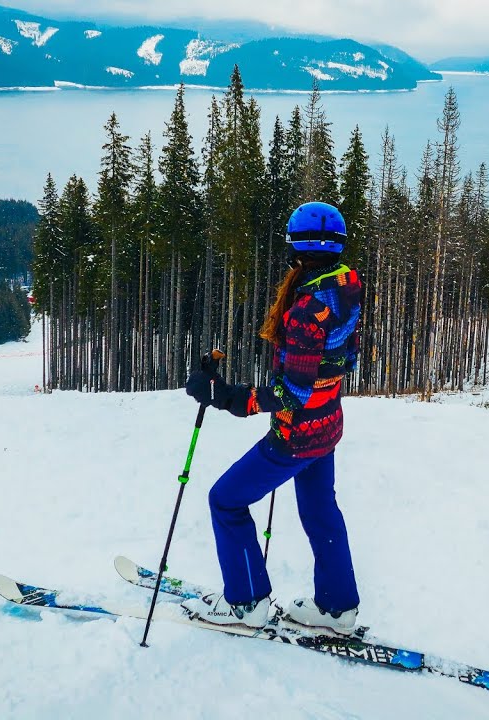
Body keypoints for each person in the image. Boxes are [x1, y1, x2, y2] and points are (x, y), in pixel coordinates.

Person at [181, 201, 363, 635]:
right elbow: (336, 363)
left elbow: (291, 394)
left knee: (225, 500)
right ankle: (337, 610)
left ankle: (246, 603)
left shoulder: (307, 308)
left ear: (295, 249)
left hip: (296, 435)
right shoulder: (346, 285)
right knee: (321, 512)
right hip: (327, 426)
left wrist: (224, 396)